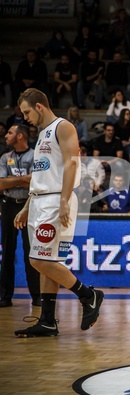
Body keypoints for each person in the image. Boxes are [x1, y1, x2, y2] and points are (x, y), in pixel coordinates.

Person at [13, 88, 104, 337]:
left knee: (38, 260)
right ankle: (48, 320)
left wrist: (63, 200)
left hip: (56, 201)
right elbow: (42, 176)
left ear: (39, 106)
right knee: (48, 261)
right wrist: (26, 207)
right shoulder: (42, 134)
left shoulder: (63, 127)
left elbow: (72, 163)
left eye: (27, 111)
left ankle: (88, 294)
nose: (25, 117)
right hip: (40, 200)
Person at [0, 125, 40, 308]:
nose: (6, 135)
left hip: (29, 206)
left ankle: (37, 296)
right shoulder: (4, 158)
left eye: (9, 132)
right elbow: (0, 184)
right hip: (8, 207)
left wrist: (11, 182)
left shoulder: (35, 156)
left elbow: (36, 182)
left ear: (20, 136)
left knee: (30, 253)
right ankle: (5, 296)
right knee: (7, 252)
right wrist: (23, 179)